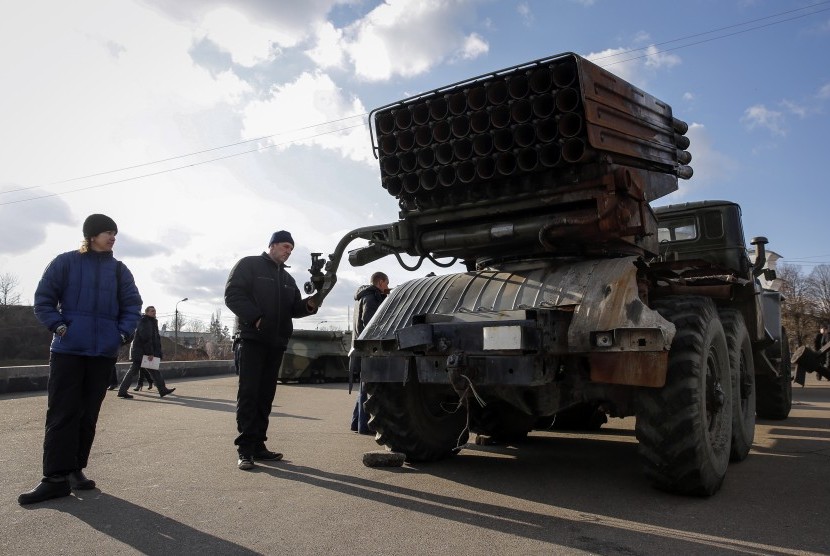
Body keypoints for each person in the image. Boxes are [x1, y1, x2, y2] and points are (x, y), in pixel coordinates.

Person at [19, 214, 142, 505]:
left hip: (102, 353)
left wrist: (121, 335)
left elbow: (132, 306)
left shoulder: (119, 271)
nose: (112, 237)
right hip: (68, 351)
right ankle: (54, 478)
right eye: (107, 232)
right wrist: (60, 327)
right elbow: (44, 300)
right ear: (91, 235)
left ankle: (75, 470)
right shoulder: (65, 262)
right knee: (62, 413)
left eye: (114, 233)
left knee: (88, 415)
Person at [225, 230, 320, 471]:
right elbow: (232, 295)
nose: (289, 252)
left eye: (291, 249)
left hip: (276, 342)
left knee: (265, 395)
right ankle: (245, 450)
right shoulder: (249, 265)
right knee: (249, 394)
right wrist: (256, 319)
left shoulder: (288, 280)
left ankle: (258, 445)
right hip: (252, 339)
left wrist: (309, 304)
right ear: (272, 245)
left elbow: (294, 308)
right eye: (286, 246)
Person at [350, 271, 390, 435]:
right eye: (386, 284)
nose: (387, 287)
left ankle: (355, 423)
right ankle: (364, 426)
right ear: (381, 282)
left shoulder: (363, 297)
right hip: (369, 348)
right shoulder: (371, 297)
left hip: (361, 348)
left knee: (364, 386)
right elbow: (370, 322)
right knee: (368, 388)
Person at [116, 306, 176, 399]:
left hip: (141, 352)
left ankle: (162, 389)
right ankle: (122, 391)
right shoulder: (145, 321)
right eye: (152, 311)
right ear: (147, 312)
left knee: (150, 371)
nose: (154, 312)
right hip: (142, 353)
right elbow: (146, 338)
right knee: (137, 371)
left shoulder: (150, 321)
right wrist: (150, 353)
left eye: (155, 311)